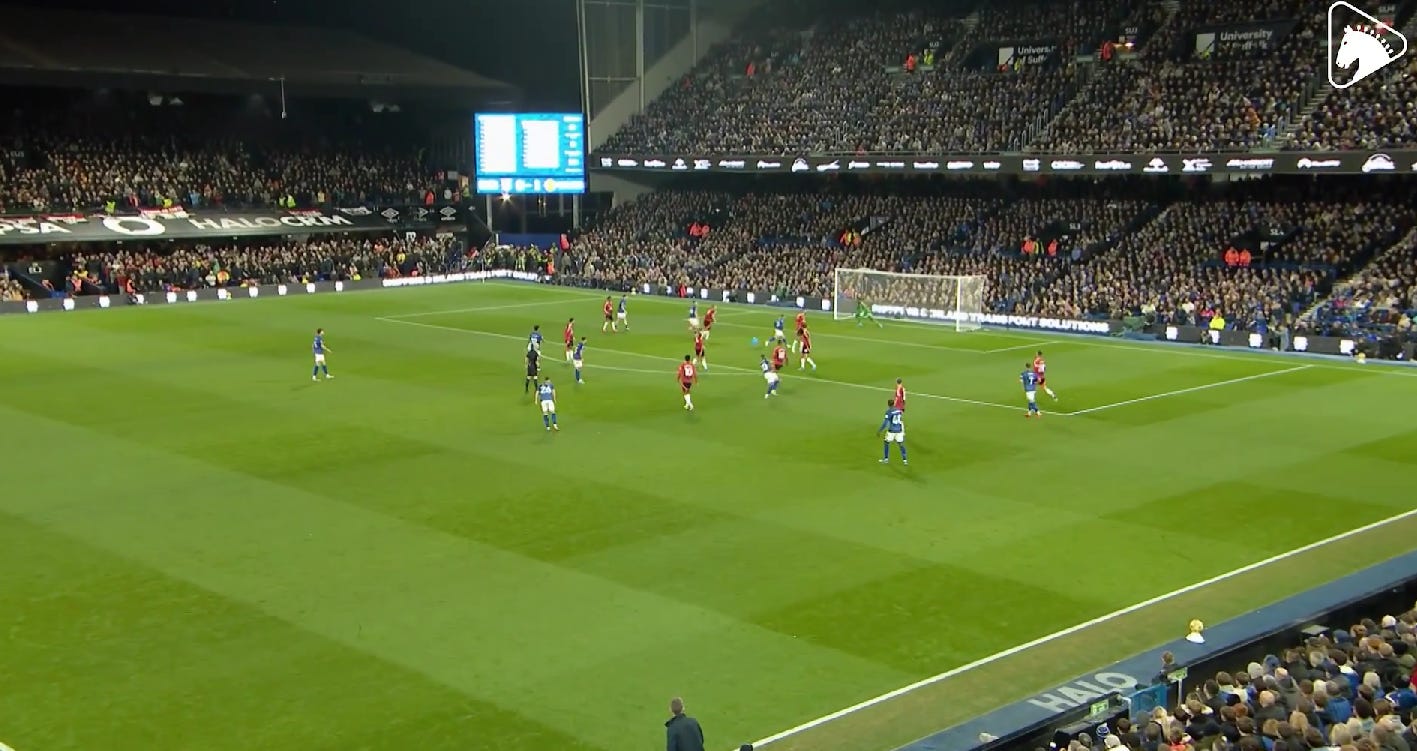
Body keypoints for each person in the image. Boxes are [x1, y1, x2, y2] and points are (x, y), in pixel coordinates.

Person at [878, 399, 907, 465]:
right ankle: (905, 460)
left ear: (888, 404)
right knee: (901, 444)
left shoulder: (888, 412)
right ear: (894, 404)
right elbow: (901, 420)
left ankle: (886, 459)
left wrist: (880, 431)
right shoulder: (898, 411)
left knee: (886, 442)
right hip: (899, 430)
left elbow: (885, 423)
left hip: (892, 430)